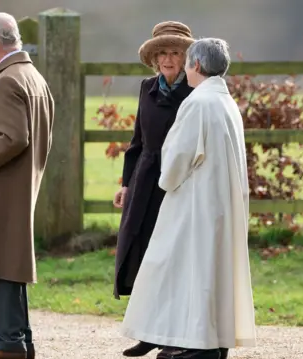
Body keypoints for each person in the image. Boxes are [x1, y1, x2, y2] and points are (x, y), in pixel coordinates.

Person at [120, 37, 258, 359]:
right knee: (213, 272)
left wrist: (166, 180)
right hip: (222, 202)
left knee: (187, 270)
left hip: (197, 203)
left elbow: (176, 159)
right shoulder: (225, 102)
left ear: (195, 64)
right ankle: (214, 340)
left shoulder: (197, 103)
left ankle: (199, 345)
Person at [0, 12, 54, 359]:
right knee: (10, 262)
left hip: (1, 187)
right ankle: (19, 340)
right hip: (20, 185)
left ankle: (6, 343)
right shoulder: (34, 77)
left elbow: (15, 138)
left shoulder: (6, 80)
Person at [112, 21, 195, 357]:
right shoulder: (147, 87)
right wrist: (126, 184)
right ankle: (149, 333)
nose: (168, 59)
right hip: (146, 180)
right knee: (144, 255)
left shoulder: (195, 90)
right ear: (154, 58)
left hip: (178, 182)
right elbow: (136, 143)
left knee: (172, 257)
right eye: (162, 53)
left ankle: (174, 338)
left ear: (186, 57)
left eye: (175, 52)